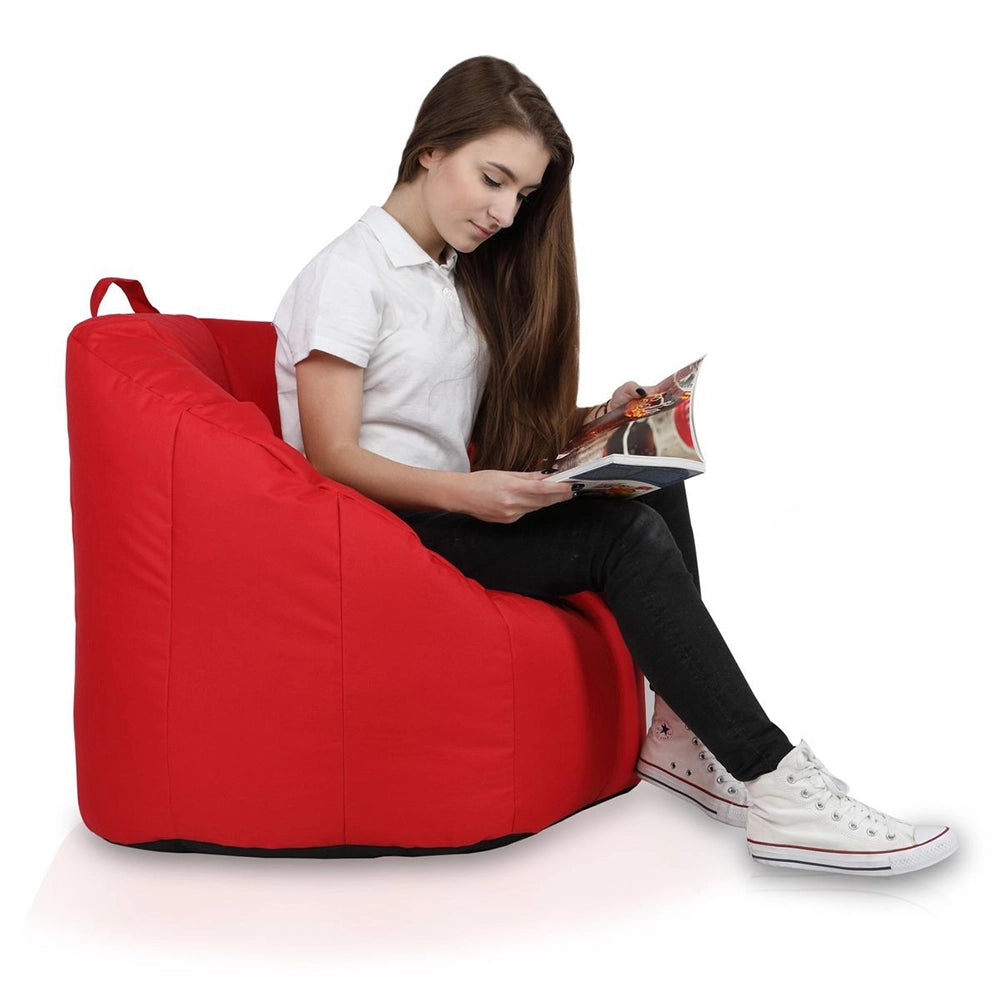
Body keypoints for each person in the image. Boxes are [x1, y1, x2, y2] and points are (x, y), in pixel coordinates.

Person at [273, 55, 957, 877]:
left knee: (650, 487)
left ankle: (680, 734)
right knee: (623, 537)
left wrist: (602, 423)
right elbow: (333, 459)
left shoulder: (445, 277)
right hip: (386, 536)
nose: (505, 212)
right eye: (493, 179)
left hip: (446, 508)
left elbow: (449, 419)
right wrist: (469, 493)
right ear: (430, 149)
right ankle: (775, 782)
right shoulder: (350, 275)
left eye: (523, 195)